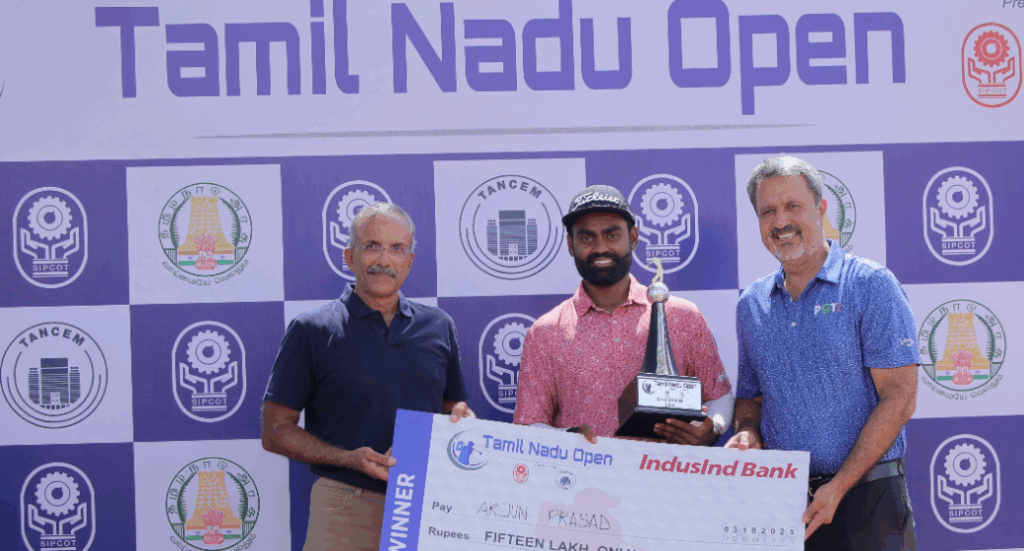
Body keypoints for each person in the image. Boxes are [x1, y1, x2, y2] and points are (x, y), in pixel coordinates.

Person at [727, 156, 918, 550]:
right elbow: (750, 398)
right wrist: (746, 430)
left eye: (792, 206)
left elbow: (900, 397)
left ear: (821, 208)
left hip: (869, 500)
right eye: (768, 212)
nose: (781, 221)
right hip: (784, 507)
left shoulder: (870, 284)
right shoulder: (752, 303)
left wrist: (839, 485)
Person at [261, 202, 473, 551]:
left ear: (410, 261)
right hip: (344, 507)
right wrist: (348, 458)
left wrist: (462, 417)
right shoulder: (312, 329)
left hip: (428, 505)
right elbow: (275, 431)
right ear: (350, 257)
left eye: (397, 248)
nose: (384, 260)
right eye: (372, 246)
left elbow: (453, 406)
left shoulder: (438, 325)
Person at [513, 185, 734, 444]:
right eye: (586, 238)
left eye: (612, 235)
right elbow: (529, 423)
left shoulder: (682, 315)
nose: (600, 248)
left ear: (634, 237)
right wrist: (568, 439)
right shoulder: (545, 332)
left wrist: (713, 428)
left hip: (668, 471)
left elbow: (719, 394)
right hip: (585, 471)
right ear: (571, 245)